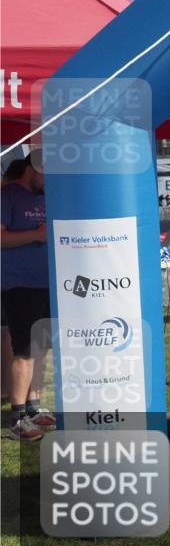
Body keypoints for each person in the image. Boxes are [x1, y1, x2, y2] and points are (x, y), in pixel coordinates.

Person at [1, 151, 56, 440]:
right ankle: (17, 418)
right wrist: (35, 235)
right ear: (32, 171)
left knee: (41, 348)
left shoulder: (46, 196)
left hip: (46, 283)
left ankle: (34, 408)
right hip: (18, 284)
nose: (49, 181)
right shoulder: (8, 195)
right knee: (23, 350)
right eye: (46, 175)